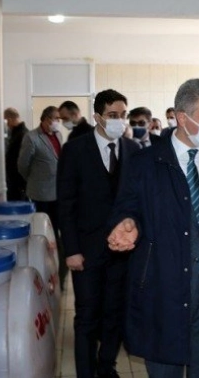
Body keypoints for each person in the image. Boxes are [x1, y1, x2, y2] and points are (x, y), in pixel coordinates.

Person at [107, 78, 199, 378]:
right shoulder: (145, 162)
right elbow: (125, 209)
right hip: (162, 295)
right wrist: (127, 223)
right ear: (183, 119)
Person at [57, 89, 141, 378]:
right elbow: (65, 204)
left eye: (123, 115)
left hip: (122, 251)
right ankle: (85, 372)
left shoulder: (132, 150)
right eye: (112, 115)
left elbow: (138, 201)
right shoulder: (75, 150)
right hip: (86, 250)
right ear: (97, 117)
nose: (119, 120)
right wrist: (71, 250)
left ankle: (107, 367)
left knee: (115, 312)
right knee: (87, 316)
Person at [17, 106, 67, 290]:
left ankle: (59, 273)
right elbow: (23, 165)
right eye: (55, 118)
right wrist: (34, 181)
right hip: (40, 194)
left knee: (58, 233)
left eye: (59, 119)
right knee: (43, 233)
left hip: (58, 193)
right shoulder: (31, 137)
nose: (57, 122)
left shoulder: (58, 135)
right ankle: (44, 269)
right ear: (45, 119)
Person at [3, 107, 28, 201]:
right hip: (16, 182)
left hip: (18, 183)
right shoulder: (17, 134)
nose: (6, 125)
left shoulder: (21, 135)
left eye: (5, 121)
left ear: (9, 119)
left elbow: (22, 161)